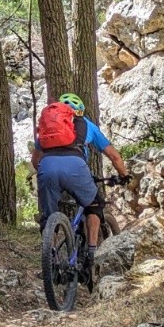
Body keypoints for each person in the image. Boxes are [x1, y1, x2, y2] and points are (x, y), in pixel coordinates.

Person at [32, 93, 131, 256]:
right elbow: (114, 156)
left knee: (48, 215)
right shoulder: (87, 125)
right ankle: (92, 252)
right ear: (79, 112)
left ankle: (50, 258)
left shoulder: (47, 128)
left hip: (47, 166)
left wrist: (46, 173)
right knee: (95, 205)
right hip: (76, 167)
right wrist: (124, 175)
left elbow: (36, 160)